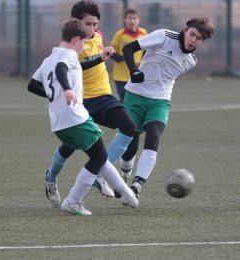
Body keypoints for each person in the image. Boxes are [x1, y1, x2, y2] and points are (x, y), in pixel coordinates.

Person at [27, 19, 138, 215]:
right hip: (75, 118)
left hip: (59, 123)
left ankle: (128, 196)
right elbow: (62, 68)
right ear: (77, 39)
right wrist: (67, 90)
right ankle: (73, 201)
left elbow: (33, 85)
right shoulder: (68, 56)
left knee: (100, 157)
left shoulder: (49, 59)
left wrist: (58, 95)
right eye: (85, 42)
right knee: (100, 157)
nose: (85, 47)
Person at [115, 17, 214, 198]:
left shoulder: (191, 61)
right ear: (185, 30)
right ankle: (125, 176)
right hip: (135, 97)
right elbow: (128, 48)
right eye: (192, 34)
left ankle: (137, 185)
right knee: (131, 146)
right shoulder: (163, 36)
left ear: (202, 41)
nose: (193, 40)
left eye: (198, 38)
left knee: (153, 137)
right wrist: (134, 70)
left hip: (160, 101)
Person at [111, 8, 147, 102]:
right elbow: (112, 53)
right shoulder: (119, 34)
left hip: (137, 74)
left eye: (134, 18)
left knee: (136, 100)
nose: (132, 20)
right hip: (121, 75)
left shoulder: (143, 33)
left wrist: (143, 60)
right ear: (125, 19)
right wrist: (125, 58)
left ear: (138, 20)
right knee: (124, 100)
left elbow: (146, 51)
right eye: (130, 18)